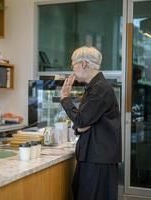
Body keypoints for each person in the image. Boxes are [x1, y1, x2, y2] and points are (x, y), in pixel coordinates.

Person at [60, 46, 121, 200]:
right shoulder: (94, 87)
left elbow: (81, 120)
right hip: (93, 157)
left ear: (84, 64)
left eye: (73, 64)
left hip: (97, 159)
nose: (72, 68)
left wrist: (65, 98)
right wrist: (79, 127)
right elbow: (82, 122)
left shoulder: (100, 89)